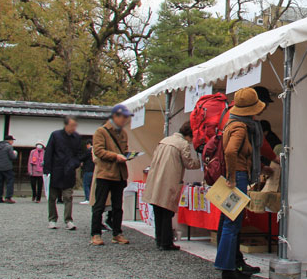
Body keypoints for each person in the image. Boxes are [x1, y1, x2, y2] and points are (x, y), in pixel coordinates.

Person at [215, 87, 267, 279]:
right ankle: (228, 269)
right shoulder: (241, 126)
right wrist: (232, 176)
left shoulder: (232, 123)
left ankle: (227, 265)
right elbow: (230, 151)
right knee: (232, 223)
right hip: (238, 177)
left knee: (227, 222)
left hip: (235, 176)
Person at [144, 121, 202, 250]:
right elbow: (189, 164)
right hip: (168, 180)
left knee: (158, 210)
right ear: (190, 135)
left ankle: (159, 240)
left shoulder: (165, 140)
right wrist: (202, 163)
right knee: (167, 211)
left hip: (155, 179)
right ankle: (166, 242)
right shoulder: (183, 144)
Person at [90, 104, 132, 246]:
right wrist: (116, 156)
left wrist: (128, 155)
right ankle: (95, 234)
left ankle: (117, 233)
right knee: (99, 205)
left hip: (120, 174)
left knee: (118, 206)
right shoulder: (101, 132)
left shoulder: (124, 133)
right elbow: (99, 151)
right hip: (105, 173)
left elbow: (125, 149)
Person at [44, 116, 85, 230]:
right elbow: (49, 152)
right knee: (52, 197)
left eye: (75, 125)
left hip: (69, 171)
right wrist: (47, 170)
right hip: (55, 169)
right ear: (66, 125)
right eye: (72, 125)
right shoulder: (56, 135)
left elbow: (79, 154)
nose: (73, 128)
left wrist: (75, 164)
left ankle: (68, 220)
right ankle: (52, 219)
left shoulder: (77, 137)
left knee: (68, 196)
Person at [0, 135, 18, 204]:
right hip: (7, 167)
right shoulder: (9, 147)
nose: (12, 142)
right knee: (10, 181)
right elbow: (12, 157)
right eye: (12, 140)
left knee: (0, 182)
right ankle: (8, 197)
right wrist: (15, 154)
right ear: (9, 141)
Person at [80, 140, 95, 205]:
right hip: (94, 170)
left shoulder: (89, 150)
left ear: (89, 144)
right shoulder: (95, 150)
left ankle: (87, 199)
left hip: (88, 170)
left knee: (86, 185)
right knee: (92, 185)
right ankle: (93, 198)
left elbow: (82, 157)